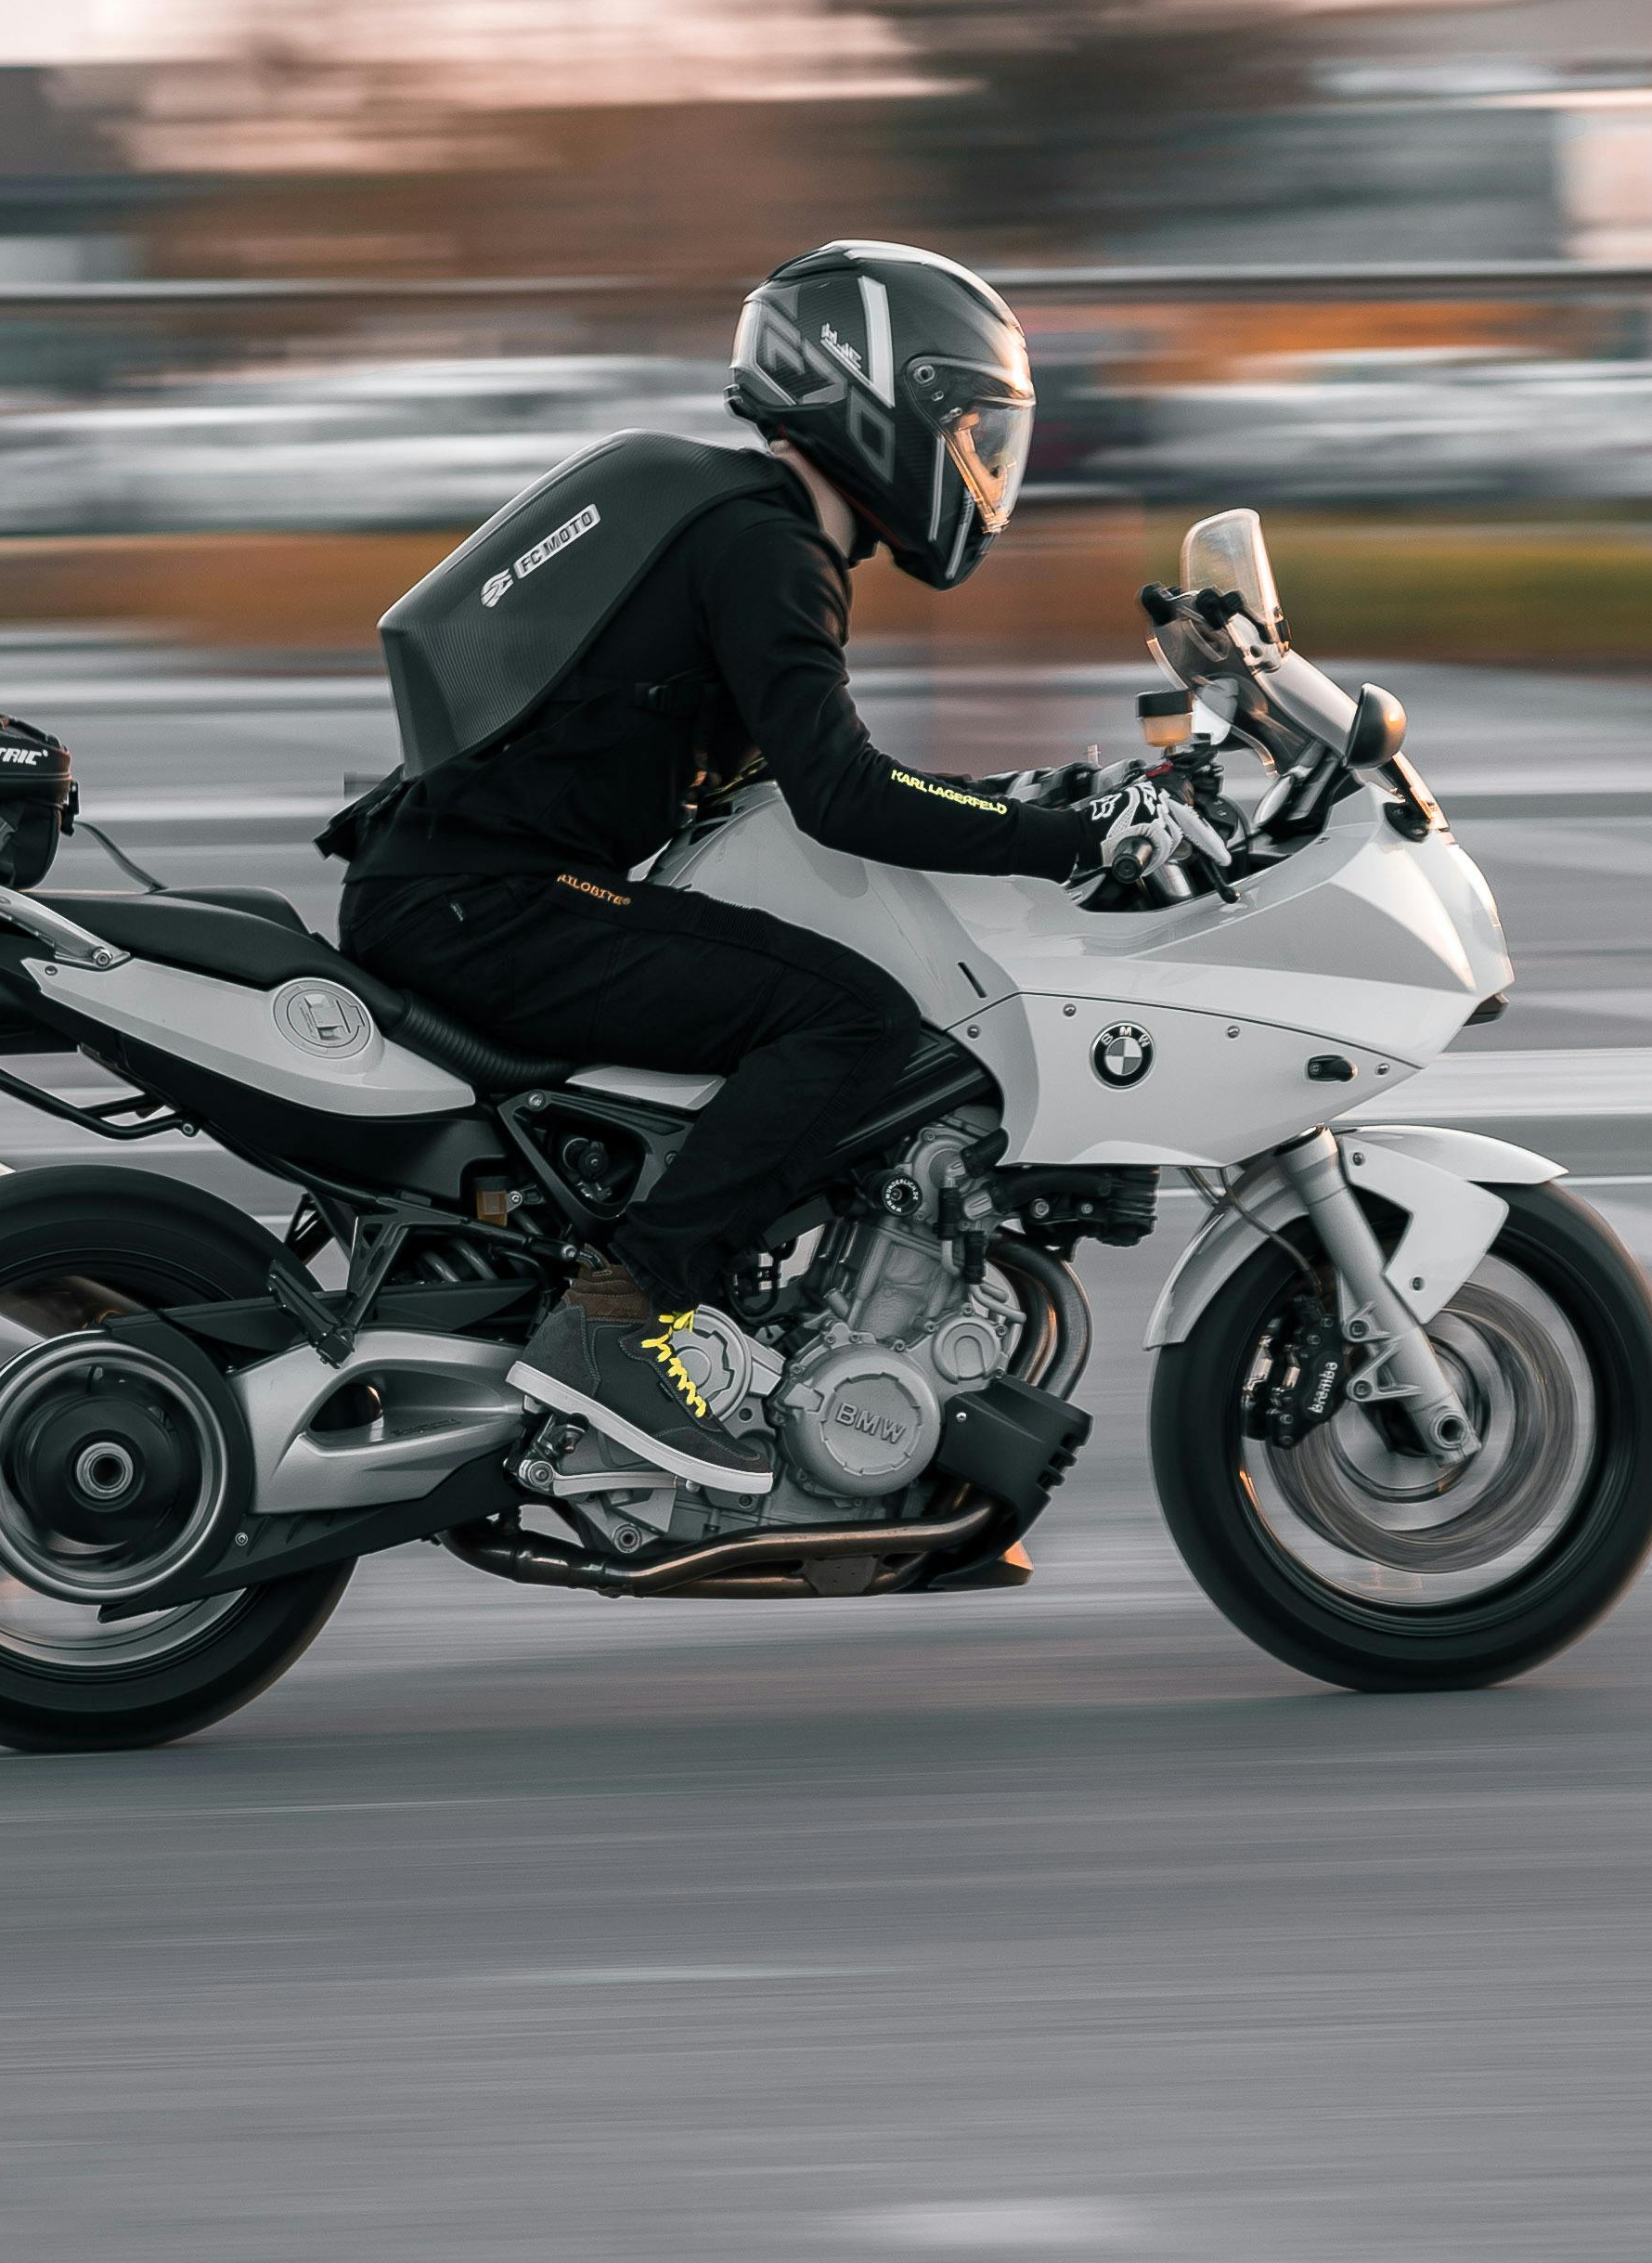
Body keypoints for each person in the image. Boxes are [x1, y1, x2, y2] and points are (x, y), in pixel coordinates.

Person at [334, 240, 1207, 1495]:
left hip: (463, 889)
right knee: (853, 1019)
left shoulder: (748, 525)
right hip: (483, 905)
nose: (981, 470)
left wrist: (1023, 800)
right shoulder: (768, 546)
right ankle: (624, 1316)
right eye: (968, 432)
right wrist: (1064, 835)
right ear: (880, 400)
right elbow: (843, 790)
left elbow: (812, 778)